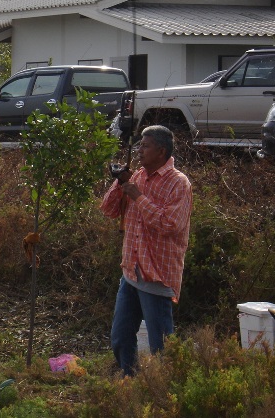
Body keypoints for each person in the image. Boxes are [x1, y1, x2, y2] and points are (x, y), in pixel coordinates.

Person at [103, 125, 192, 376]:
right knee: (120, 336)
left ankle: (165, 389)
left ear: (161, 151)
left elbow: (170, 225)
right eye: (139, 145)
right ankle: (129, 381)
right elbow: (109, 210)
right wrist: (121, 182)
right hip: (131, 272)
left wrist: (138, 197)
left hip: (156, 274)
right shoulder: (138, 177)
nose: (139, 150)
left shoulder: (178, 183)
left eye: (145, 145)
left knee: (161, 344)